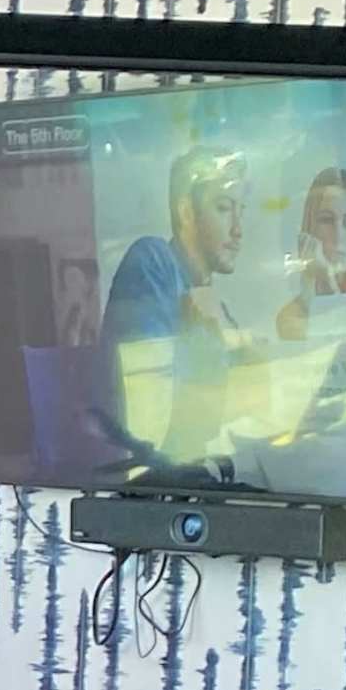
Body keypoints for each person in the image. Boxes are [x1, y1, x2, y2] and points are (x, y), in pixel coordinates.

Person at [101, 143, 253, 470]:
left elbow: (249, 405)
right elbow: (146, 428)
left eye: (243, 210)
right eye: (225, 208)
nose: (239, 230)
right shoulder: (154, 261)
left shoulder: (212, 302)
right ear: (186, 213)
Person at [276, 165, 346, 341]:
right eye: (326, 220)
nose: (338, 235)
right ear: (309, 229)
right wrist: (321, 280)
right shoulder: (291, 318)